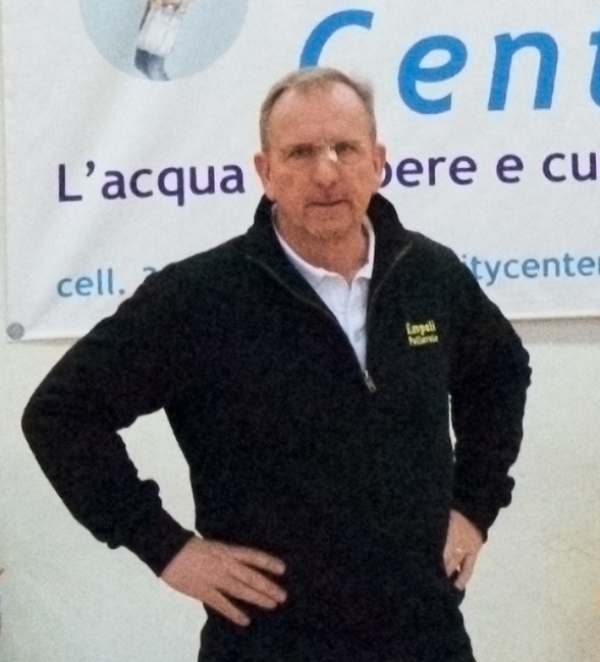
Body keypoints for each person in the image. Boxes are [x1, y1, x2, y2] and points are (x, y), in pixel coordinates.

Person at [22, 67, 531, 662]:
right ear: (265, 172)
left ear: (378, 162)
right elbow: (61, 413)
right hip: (269, 642)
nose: (326, 172)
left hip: (424, 636)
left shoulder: (429, 276)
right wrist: (165, 547)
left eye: (345, 148)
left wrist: (475, 506)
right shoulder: (199, 297)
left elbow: (500, 371)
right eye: (300, 152)